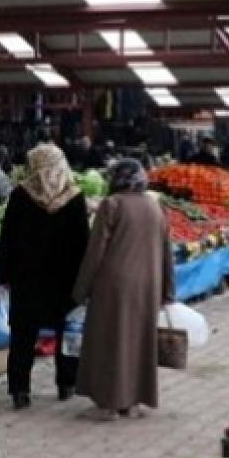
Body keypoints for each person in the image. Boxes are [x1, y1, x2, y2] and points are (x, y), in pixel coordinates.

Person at [72, 159, 174, 421]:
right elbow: (166, 253)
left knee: (111, 341)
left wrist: (80, 289)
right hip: (147, 285)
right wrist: (168, 291)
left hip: (114, 285)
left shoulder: (112, 204)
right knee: (139, 342)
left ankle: (110, 402)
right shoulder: (155, 206)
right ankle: (132, 401)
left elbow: (95, 252)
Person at [0, 144, 90, 410]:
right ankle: (66, 384)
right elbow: (84, 243)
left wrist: (2, 274)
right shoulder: (74, 197)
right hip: (65, 279)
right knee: (65, 332)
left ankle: (20, 390)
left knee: (23, 335)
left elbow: (8, 238)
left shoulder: (21, 196)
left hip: (28, 278)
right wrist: (86, 282)